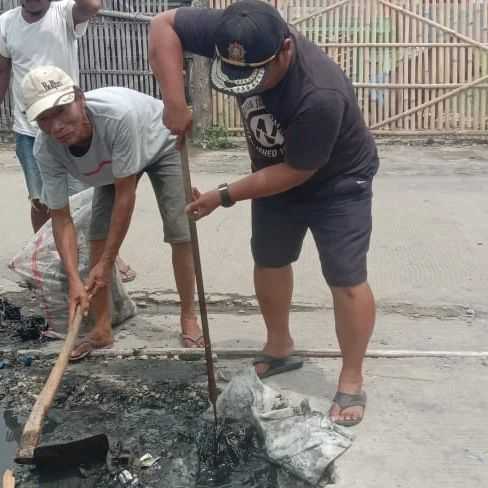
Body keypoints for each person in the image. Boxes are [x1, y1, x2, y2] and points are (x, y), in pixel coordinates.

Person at [149, 0, 379, 426]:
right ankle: (279, 347)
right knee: (270, 259)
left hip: (338, 181)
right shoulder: (235, 29)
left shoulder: (318, 93)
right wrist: (173, 101)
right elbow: (163, 25)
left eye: (255, 75)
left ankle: (351, 376)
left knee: (345, 277)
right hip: (274, 169)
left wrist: (224, 194)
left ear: (285, 51)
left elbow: (296, 172)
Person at [21, 66, 205, 360]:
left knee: (179, 229)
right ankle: (102, 328)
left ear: (80, 99)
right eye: (44, 118)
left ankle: (188, 315)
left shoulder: (115, 117)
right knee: (98, 236)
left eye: (61, 111)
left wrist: (108, 262)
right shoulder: (46, 149)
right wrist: (74, 280)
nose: (56, 126)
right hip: (111, 162)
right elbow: (61, 217)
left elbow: (125, 195)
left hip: (160, 142)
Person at [0, 0, 136, 282]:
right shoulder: (5, 23)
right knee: (41, 200)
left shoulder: (63, 13)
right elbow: (3, 71)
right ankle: (44, 255)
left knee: (87, 199)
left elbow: (93, 6)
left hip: (70, 125)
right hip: (29, 129)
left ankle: (106, 254)